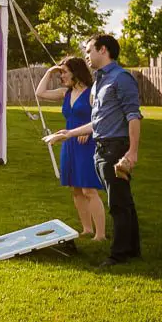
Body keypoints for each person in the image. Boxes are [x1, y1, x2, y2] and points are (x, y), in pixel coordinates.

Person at [45, 34, 142, 266]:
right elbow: (97, 122)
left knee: (118, 203)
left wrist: (132, 152)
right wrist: (68, 134)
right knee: (123, 201)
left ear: (103, 50)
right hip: (100, 148)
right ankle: (132, 250)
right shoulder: (99, 81)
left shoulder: (121, 78)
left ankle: (118, 254)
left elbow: (133, 116)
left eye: (89, 50)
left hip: (115, 148)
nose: (86, 55)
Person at [36, 57, 106, 240]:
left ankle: (100, 234)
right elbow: (40, 93)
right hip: (69, 143)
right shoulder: (65, 93)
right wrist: (49, 72)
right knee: (76, 189)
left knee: (89, 189)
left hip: (87, 143)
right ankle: (87, 229)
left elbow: (101, 118)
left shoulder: (92, 93)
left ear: (76, 72)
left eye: (64, 72)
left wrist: (88, 132)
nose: (61, 76)